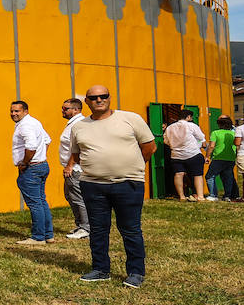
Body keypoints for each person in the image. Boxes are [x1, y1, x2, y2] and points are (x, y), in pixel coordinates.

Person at [67, 85, 155, 287]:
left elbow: (149, 147)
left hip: (128, 184)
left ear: (109, 98)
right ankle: (100, 269)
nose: (99, 100)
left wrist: (131, 168)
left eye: (103, 96)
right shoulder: (79, 126)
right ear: (86, 101)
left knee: (131, 229)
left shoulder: (130, 118)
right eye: (94, 97)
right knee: (98, 230)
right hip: (92, 185)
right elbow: (77, 154)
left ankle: (135, 272)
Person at [10, 100, 54, 243]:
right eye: (12, 111)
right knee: (41, 201)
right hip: (41, 165)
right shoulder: (35, 122)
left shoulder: (25, 126)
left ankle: (38, 237)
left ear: (25, 111)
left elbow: (31, 145)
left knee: (35, 204)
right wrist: (41, 156)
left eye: (17, 111)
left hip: (32, 168)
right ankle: (48, 235)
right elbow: (47, 140)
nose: (13, 113)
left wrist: (25, 162)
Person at [59, 97, 90, 238]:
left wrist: (70, 165)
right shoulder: (72, 123)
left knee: (78, 198)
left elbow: (77, 148)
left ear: (76, 110)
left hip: (75, 168)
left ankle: (86, 228)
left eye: (65, 108)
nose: (62, 111)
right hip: (71, 167)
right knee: (70, 196)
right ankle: (80, 226)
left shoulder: (77, 124)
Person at [163, 112, 207, 201]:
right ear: (188, 117)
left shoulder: (170, 127)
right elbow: (200, 137)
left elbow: (166, 141)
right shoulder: (191, 126)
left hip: (176, 155)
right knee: (197, 175)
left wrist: (175, 145)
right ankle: (200, 196)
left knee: (178, 174)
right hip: (192, 153)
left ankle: (182, 196)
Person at [205, 116, 238, 201]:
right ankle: (227, 196)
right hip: (231, 158)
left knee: (210, 176)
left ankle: (213, 195)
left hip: (218, 158)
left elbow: (211, 146)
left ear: (219, 124)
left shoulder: (215, 133)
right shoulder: (233, 134)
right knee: (228, 178)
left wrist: (207, 156)